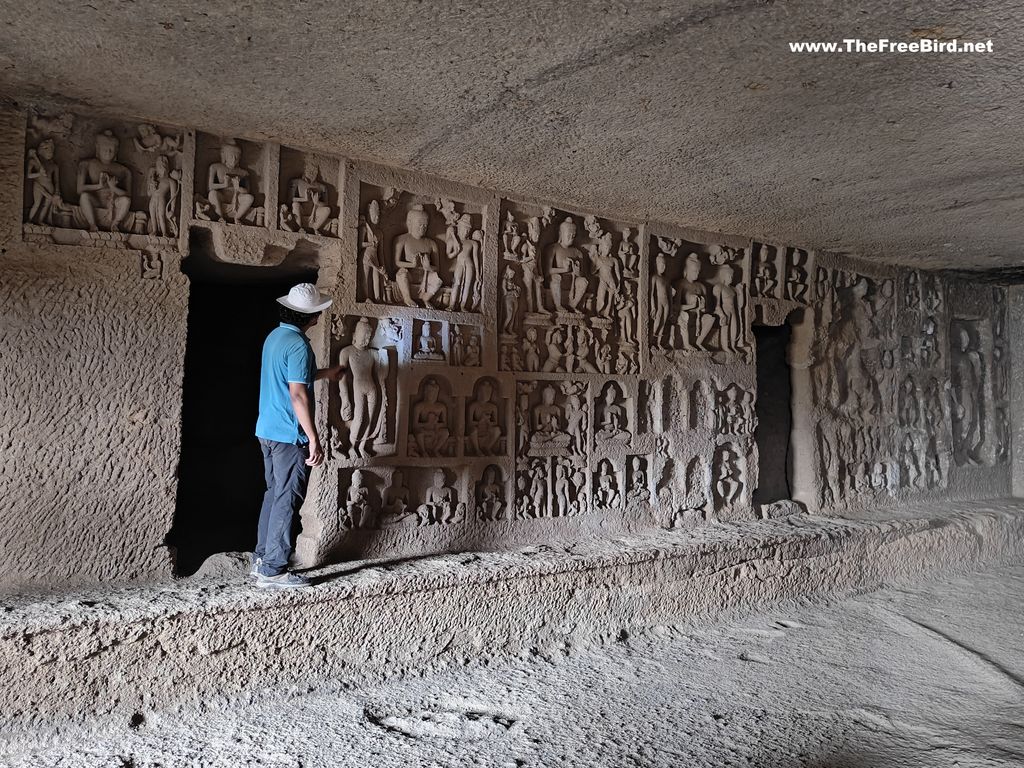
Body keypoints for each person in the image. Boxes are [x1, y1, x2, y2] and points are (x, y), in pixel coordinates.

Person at [252, 283, 341, 589]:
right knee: (288, 498)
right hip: (289, 434)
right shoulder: (300, 346)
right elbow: (298, 395)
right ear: (313, 316)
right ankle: (274, 569)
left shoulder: (275, 338)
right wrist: (313, 438)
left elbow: (292, 376)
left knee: (274, 493)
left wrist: (325, 373)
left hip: (267, 430)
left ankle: (262, 558)